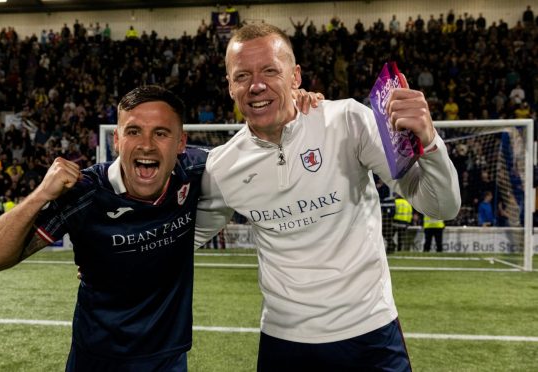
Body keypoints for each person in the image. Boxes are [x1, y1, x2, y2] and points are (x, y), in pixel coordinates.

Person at [0, 85, 322, 370]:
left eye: (161, 133)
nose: (146, 145)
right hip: (96, 359)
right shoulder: (85, 193)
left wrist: (302, 115)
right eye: (134, 131)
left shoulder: (200, 170)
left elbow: (271, 155)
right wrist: (40, 194)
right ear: (116, 141)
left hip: (168, 359)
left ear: (181, 143)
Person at [195, 23, 460, 371]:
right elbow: (180, 240)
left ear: (295, 76)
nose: (256, 85)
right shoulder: (223, 167)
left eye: (270, 71)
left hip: (371, 332)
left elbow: (441, 206)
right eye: (242, 75)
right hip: (284, 341)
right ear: (230, 86)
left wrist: (430, 142)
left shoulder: (347, 121)